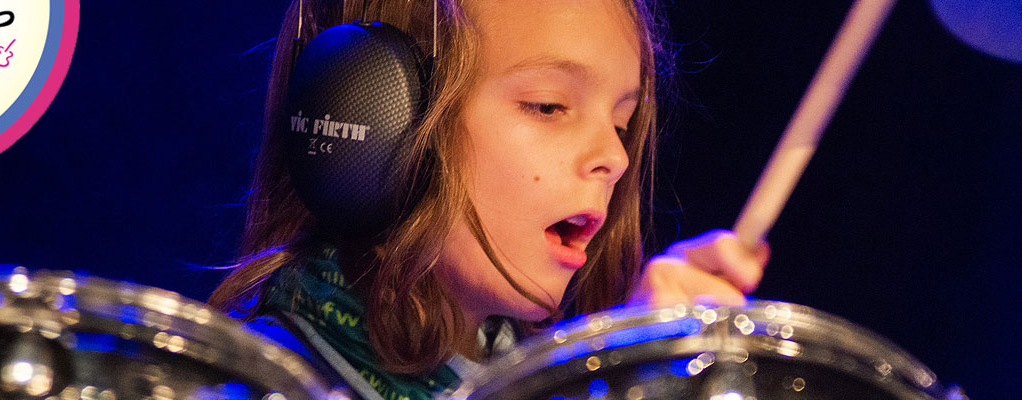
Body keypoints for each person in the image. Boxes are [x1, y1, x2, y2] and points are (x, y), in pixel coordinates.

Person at [206, 1, 767, 399]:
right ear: (376, 118)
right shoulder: (256, 386)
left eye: (621, 124)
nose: (615, 158)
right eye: (548, 106)